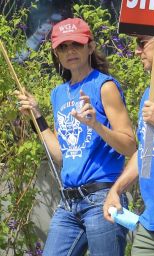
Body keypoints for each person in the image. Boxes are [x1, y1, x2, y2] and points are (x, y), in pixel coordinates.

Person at [15, 18, 136, 256]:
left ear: (90, 47)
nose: (70, 51)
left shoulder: (104, 86)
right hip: (68, 203)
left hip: (103, 197)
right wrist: (37, 117)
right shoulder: (58, 93)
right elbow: (61, 154)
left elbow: (130, 146)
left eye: (76, 44)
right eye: (63, 46)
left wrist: (96, 125)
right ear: (56, 53)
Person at [103, 35, 154, 256]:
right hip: (151, 223)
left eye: (142, 43)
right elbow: (145, 152)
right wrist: (116, 189)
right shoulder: (151, 94)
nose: (136, 51)